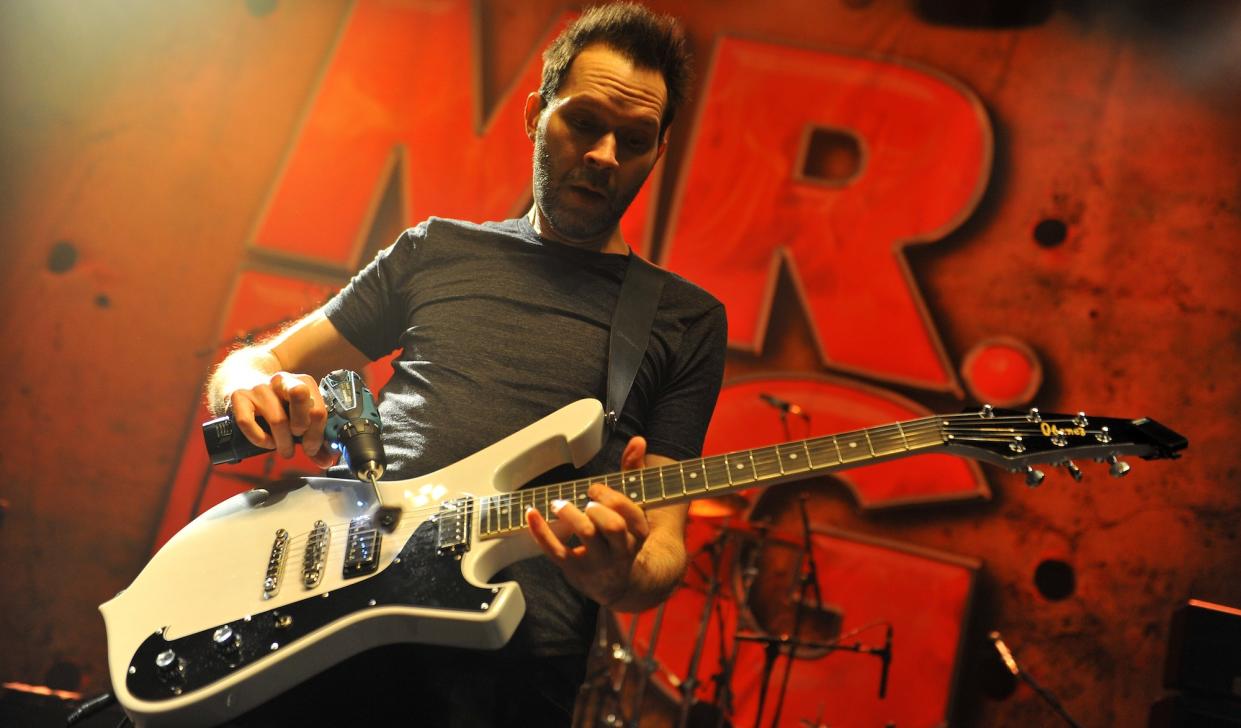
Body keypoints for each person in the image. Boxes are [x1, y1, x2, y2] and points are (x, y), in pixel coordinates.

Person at [206, 3, 726, 725]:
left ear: (656, 152)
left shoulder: (684, 320)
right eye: (582, 122)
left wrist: (623, 573)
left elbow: (661, 548)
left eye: (633, 139)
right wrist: (253, 389)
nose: (605, 155)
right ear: (534, 113)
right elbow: (260, 359)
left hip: (507, 672)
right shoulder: (437, 250)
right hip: (321, 624)